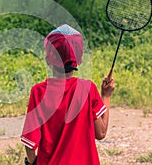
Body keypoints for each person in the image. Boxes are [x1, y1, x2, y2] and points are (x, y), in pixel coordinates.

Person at [21, 24, 115, 165]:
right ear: (79, 60)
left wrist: (33, 162)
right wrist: (106, 96)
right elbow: (101, 133)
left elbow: (30, 144)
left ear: (48, 61)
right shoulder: (87, 89)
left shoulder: (39, 92)